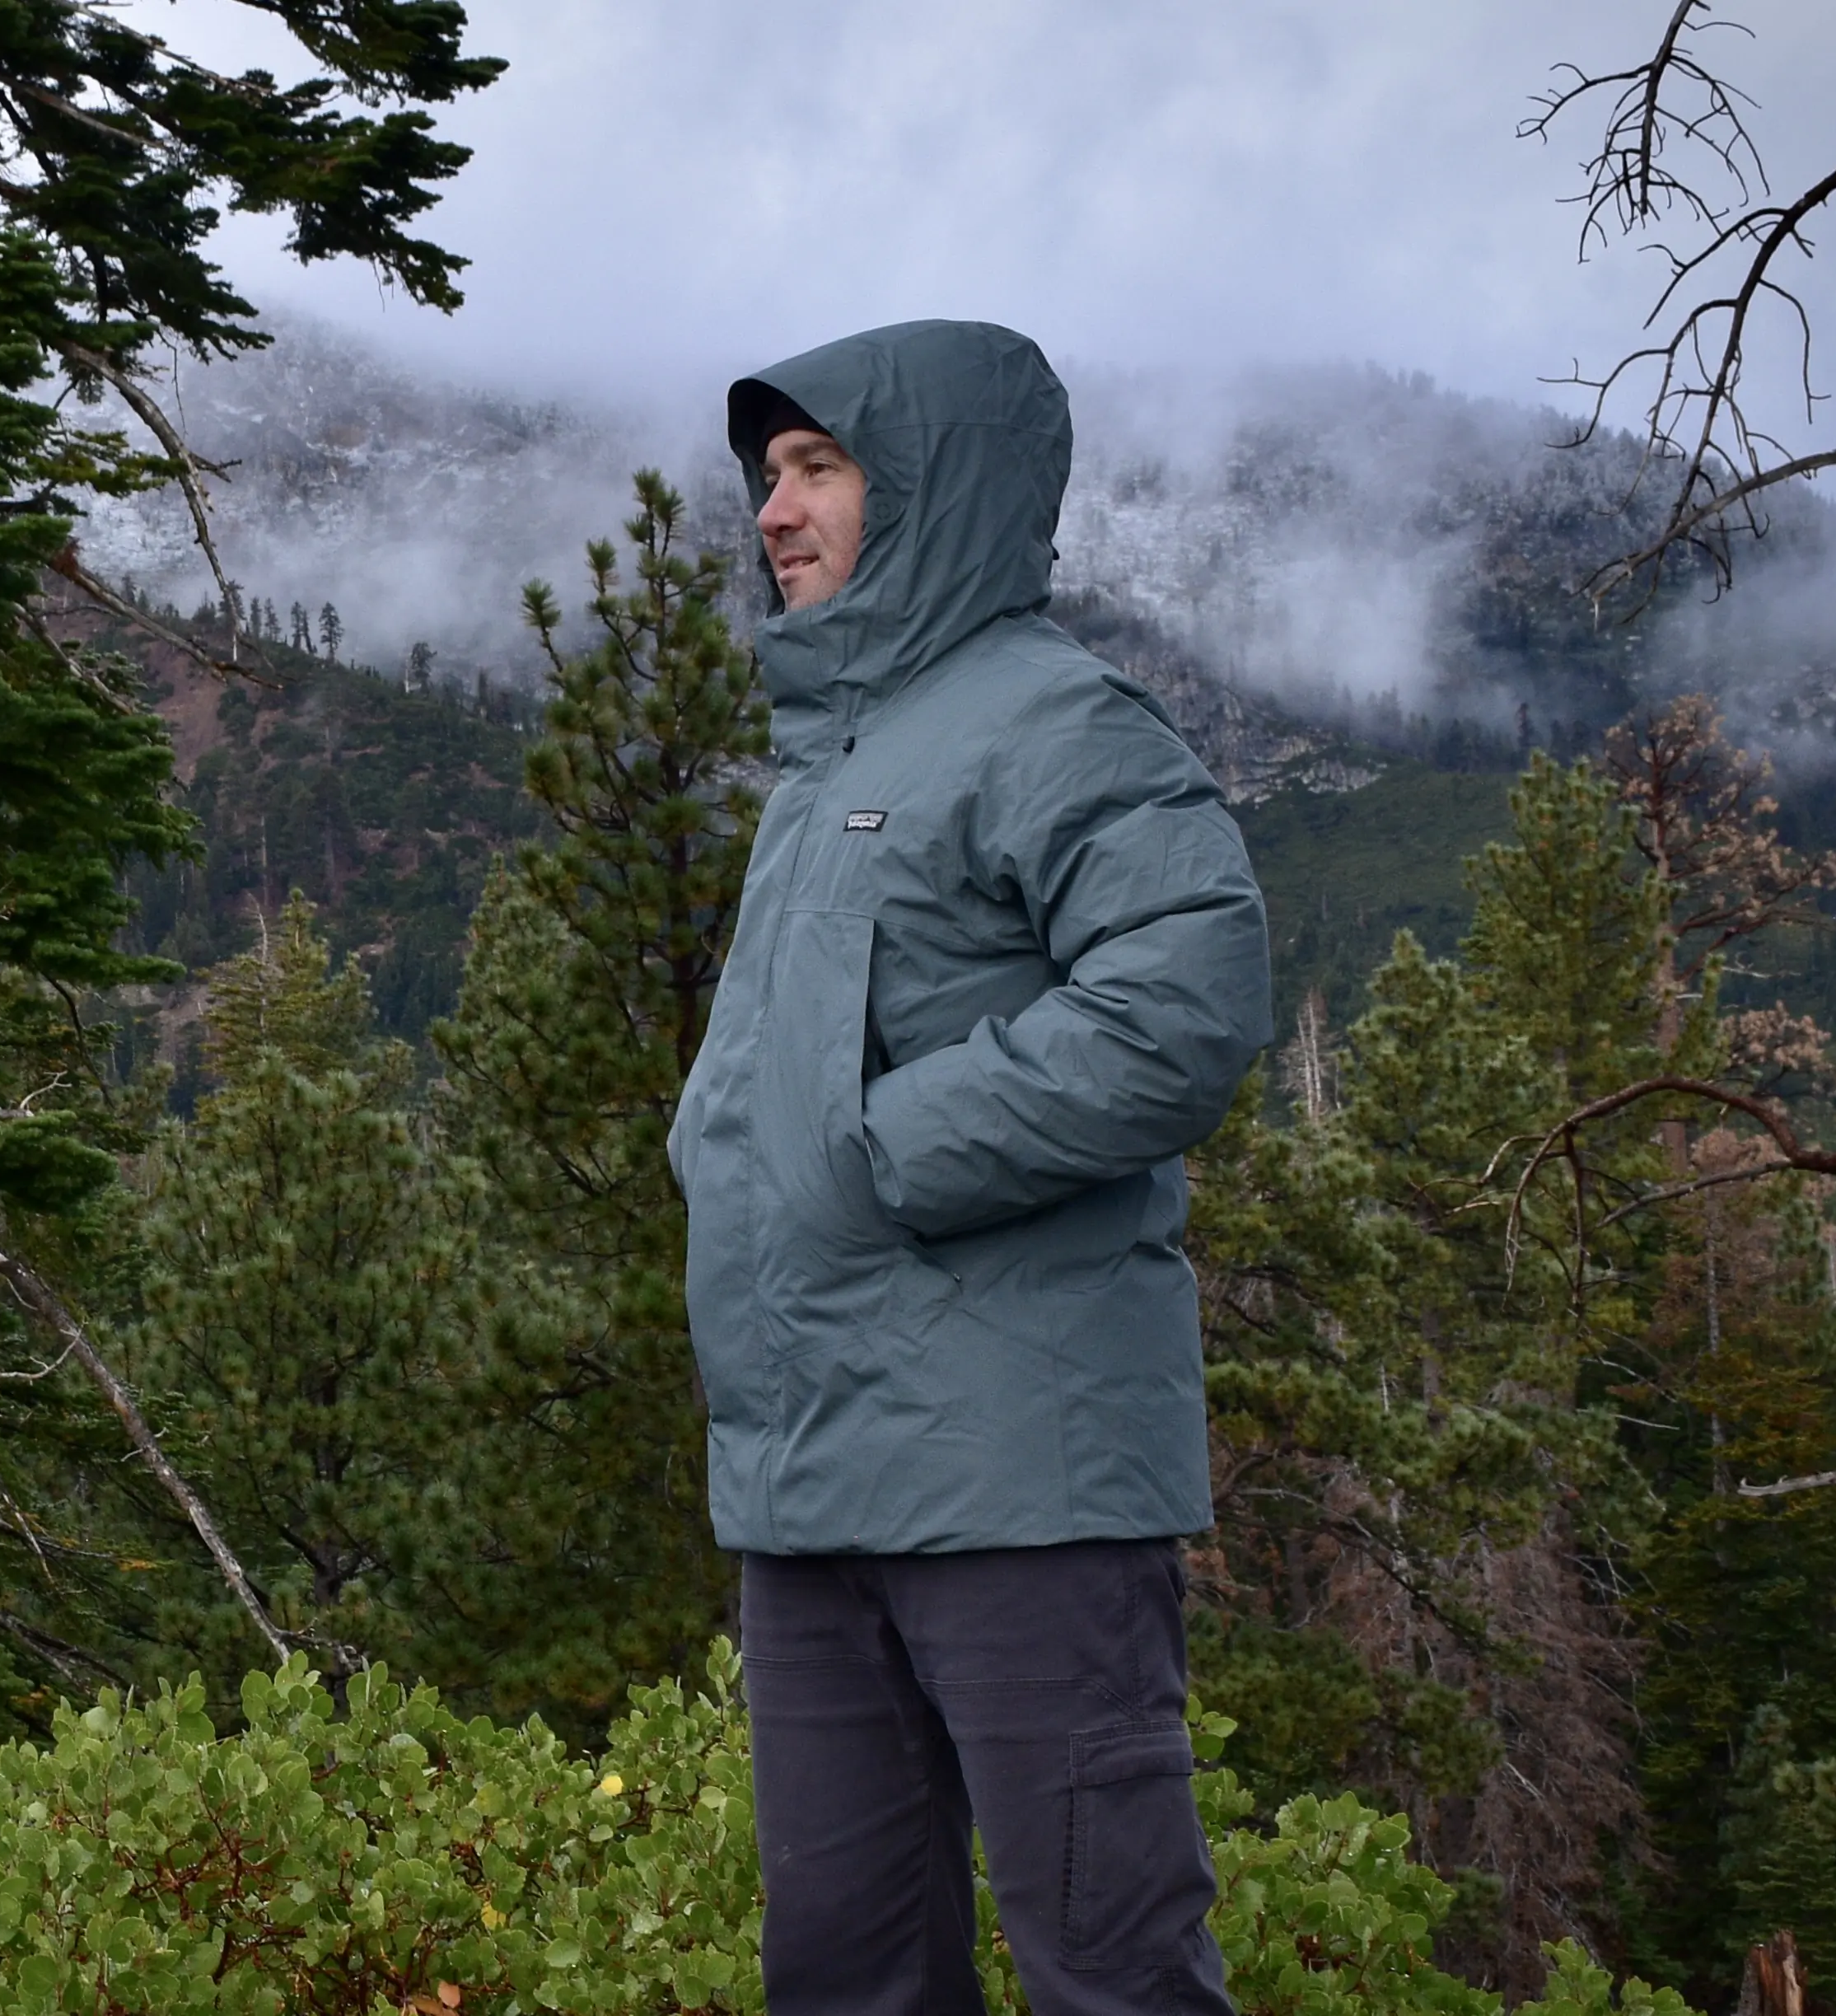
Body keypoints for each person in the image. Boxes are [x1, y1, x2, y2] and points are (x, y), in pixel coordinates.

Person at [669, 320, 1271, 2016]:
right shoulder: (832, 764)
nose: (774, 512)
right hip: (810, 1475)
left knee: (1111, 1970)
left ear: (929, 490)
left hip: (1019, 1481)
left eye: (818, 469)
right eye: (765, 476)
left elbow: (1184, 998)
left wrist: (882, 1154)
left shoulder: (1050, 719)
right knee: (847, 1974)